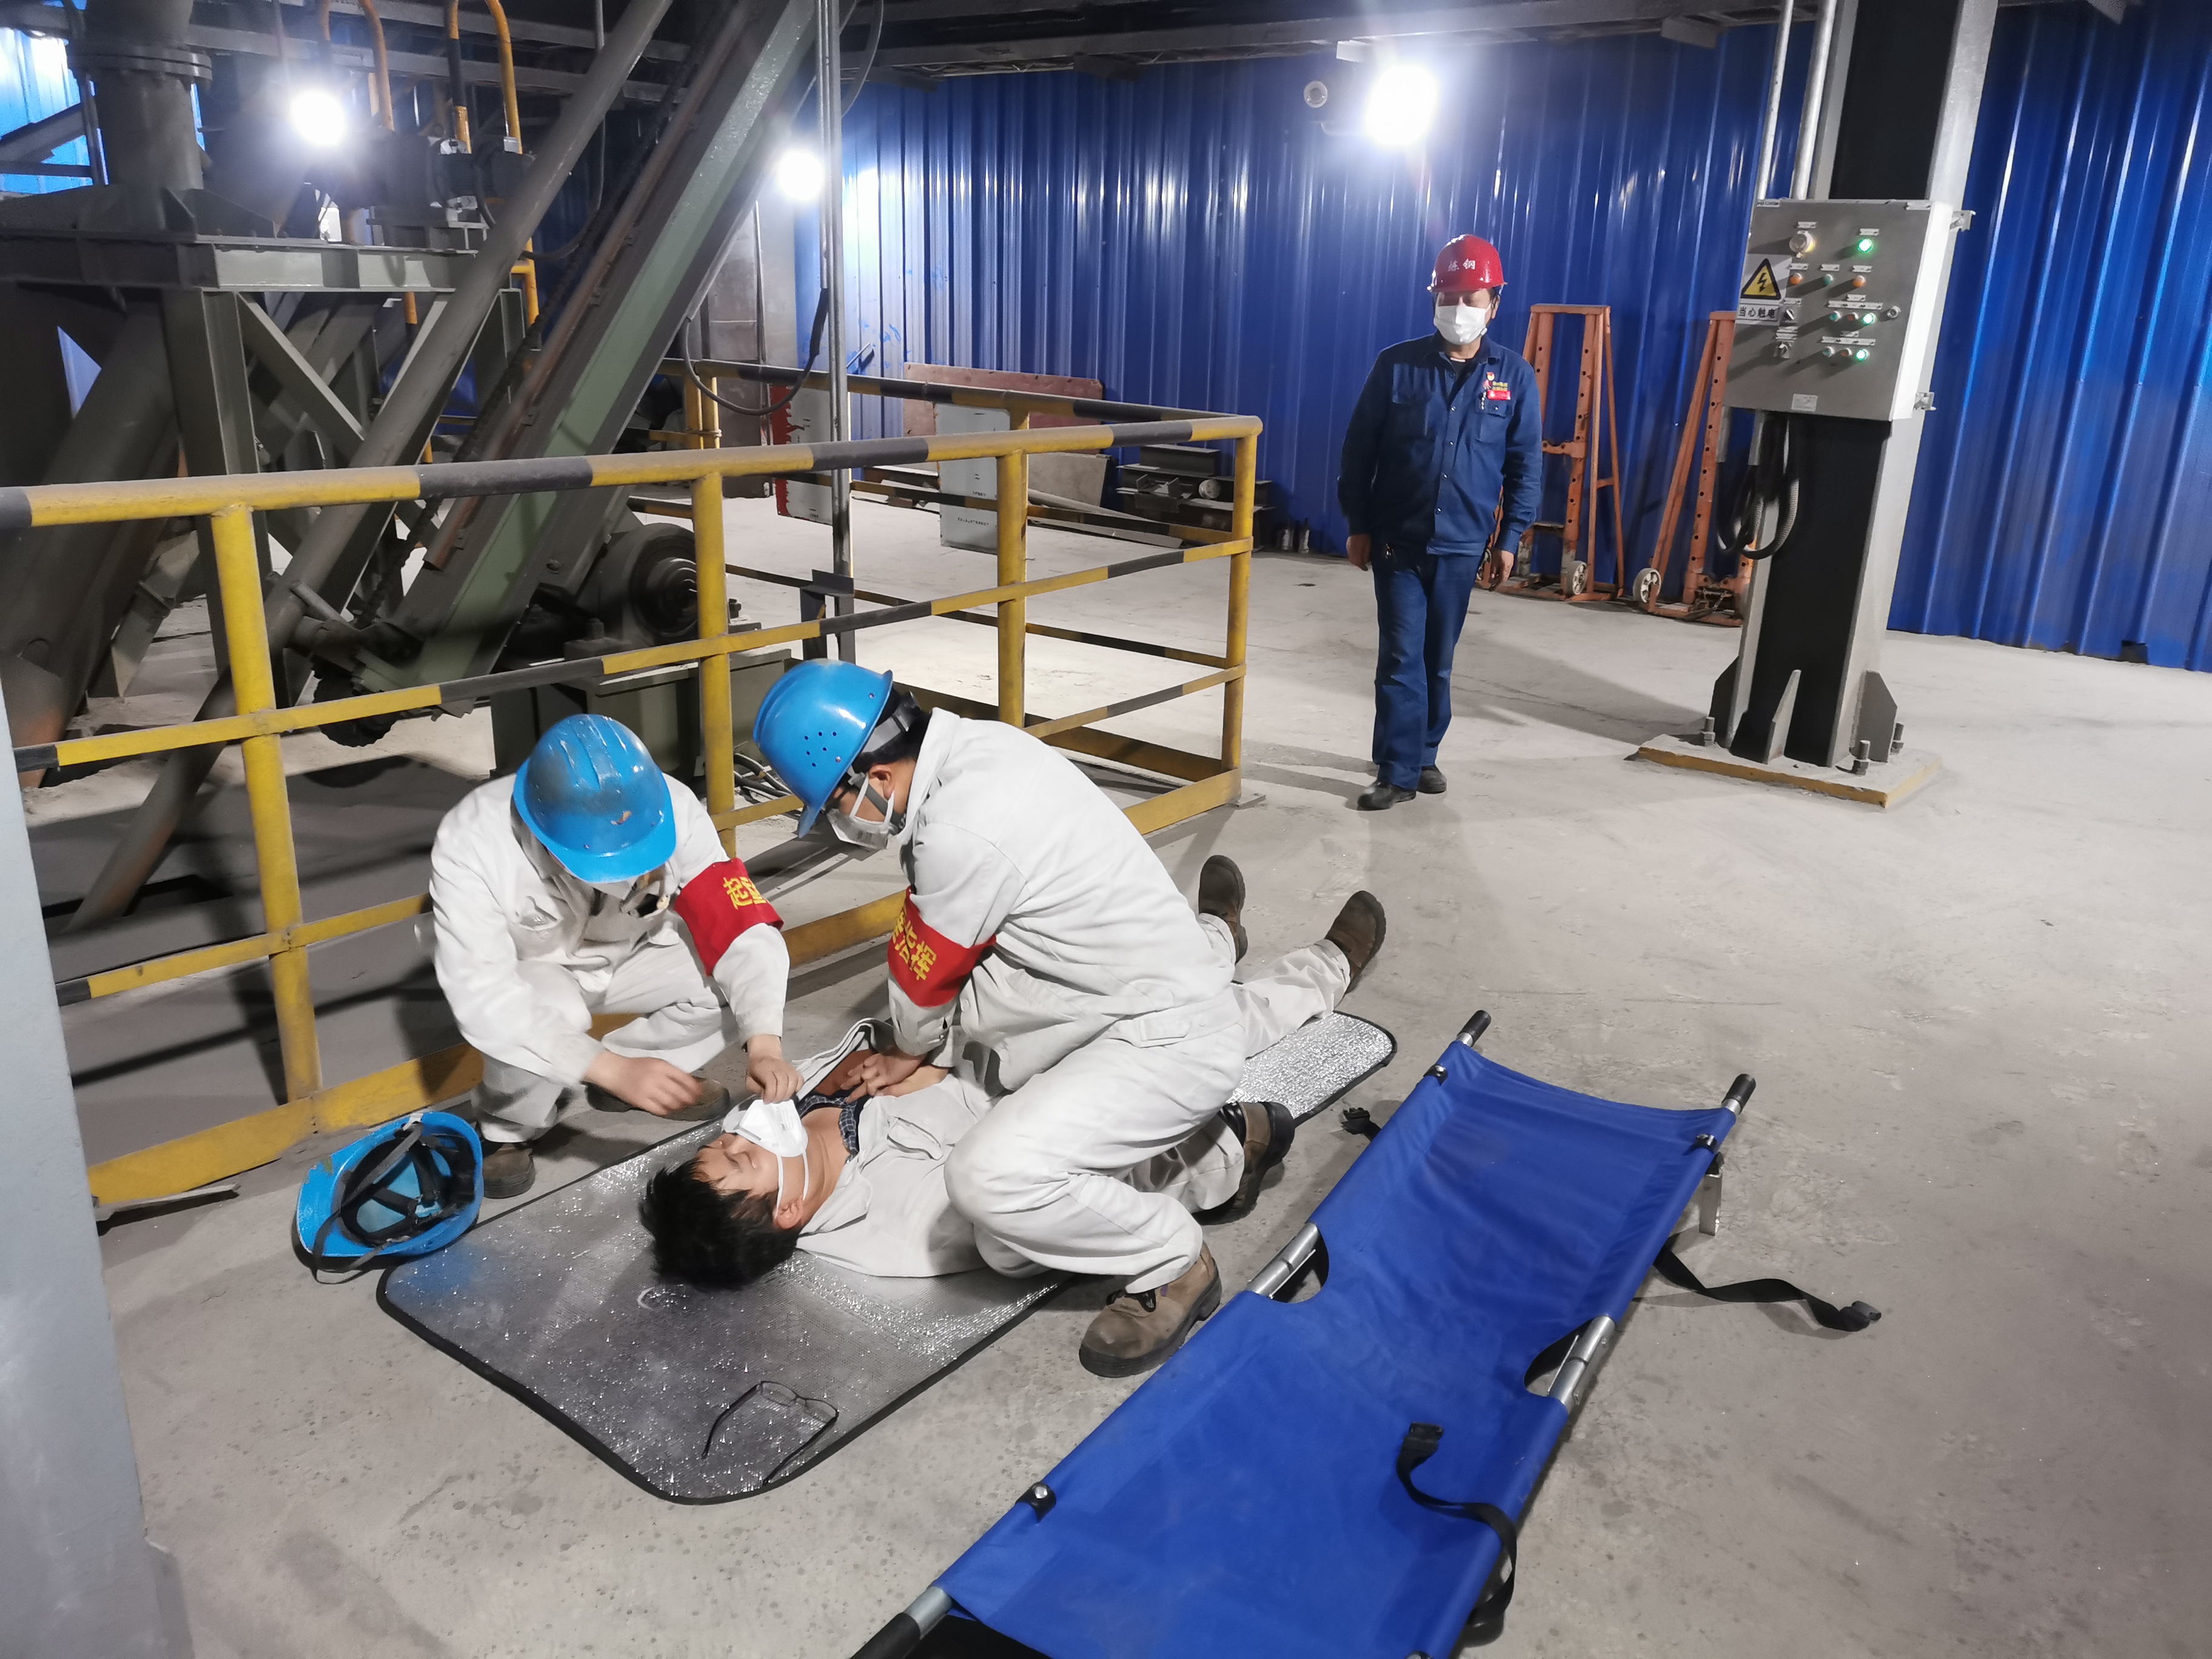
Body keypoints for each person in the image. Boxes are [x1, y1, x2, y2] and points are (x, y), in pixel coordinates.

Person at [733, 660, 1388, 1376]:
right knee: (1034, 1068)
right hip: (1120, 984)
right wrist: (922, 1051)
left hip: (1152, 1024)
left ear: (874, 779)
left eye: (835, 804)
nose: (840, 822)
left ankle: (1175, 1260)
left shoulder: (958, 834)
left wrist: (913, 1048)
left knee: (999, 1178)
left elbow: (922, 986)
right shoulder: (983, 751)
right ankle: (1230, 1027)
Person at [638, 853, 1384, 1378]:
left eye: (724, 1143)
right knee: (1210, 1021)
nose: (740, 1133)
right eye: (742, 1159)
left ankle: (1217, 935)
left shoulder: (789, 1123)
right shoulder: (910, 1223)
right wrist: (943, 1058)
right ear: (791, 1208)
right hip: (1064, 1083)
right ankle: (1323, 970)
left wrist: (917, 1047)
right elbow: (1049, 1163)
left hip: (1002, 1041)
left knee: (1075, 954)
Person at [429, 714, 802, 1199]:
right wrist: (602, 1064)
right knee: (545, 1017)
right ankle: (507, 1129)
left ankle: (639, 1072)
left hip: (632, 948)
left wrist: (766, 1043)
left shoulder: (671, 807)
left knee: (732, 984)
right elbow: (486, 995)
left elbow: (739, 924)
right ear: (540, 830)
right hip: (539, 971)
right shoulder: (472, 841)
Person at [1338, 233, 1543, 812]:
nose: (1459, 309)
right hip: (1397, 541)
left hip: (1462, 545)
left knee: (1438, 660)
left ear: (1494, 303)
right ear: (1434, 299)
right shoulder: (1396, 366)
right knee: (1402, 656)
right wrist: (1357, 522)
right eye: (1449, 296)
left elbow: (1526, 464)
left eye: (1471, 297)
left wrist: (1510, 538)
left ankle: (1422, 753)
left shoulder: (1514, 377)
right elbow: (1360, 450)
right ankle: (1398, 772)